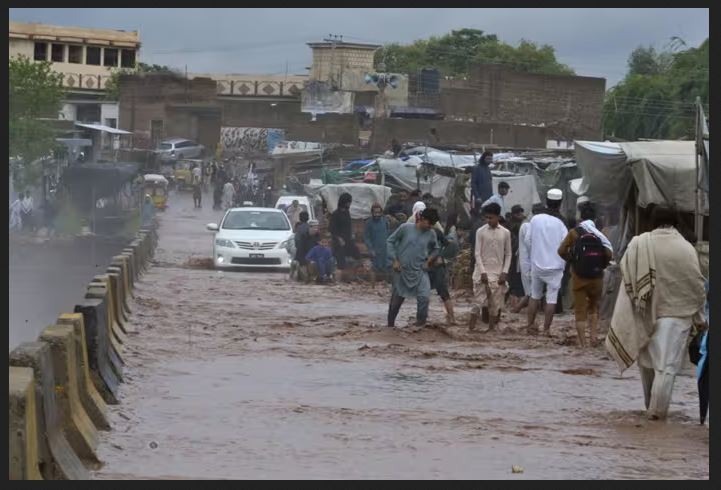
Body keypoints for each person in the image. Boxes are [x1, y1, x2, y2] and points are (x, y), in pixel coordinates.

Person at [606, 207, 706, 421]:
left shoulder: (639, 243)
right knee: (666, 368)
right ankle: (657, 415)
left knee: (646, 365)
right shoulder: (686, 248)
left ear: (653, 222)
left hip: (644, 312)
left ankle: (648, 408)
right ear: (676, 223)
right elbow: (696, 286)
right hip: (676, 316)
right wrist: (700, 319)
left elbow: (628, 275)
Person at [557, 202, 613, 348]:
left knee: (580, 310)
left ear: (581, 216)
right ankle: (594, 338)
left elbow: (561, 251)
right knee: (594, 307)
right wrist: (601, 265)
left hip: (579, 277)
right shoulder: (599, 234)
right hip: (597, 277)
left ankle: (583, 344)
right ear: (594, 218)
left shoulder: (574, 232)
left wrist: (573, 260)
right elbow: (608, 253)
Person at [386, 207, 440, 328]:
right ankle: (390, 326)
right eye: (429, 223)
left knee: (424, 298)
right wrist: (394, 260)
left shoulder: (431, 233)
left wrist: (429, 261)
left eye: (433, 224)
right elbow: (390, 241)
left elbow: (436, 249)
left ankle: (420, 326)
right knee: (396, 301)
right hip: (402, 270)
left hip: (420, 270)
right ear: (422, 218)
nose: (431, 226)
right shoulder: (405, 228)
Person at [524, 189, 568, 336]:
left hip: (537, 265)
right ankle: (546, 330)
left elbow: (527, 240)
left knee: (534, 295)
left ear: (546, 202)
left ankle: (530, 326)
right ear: (560, 204)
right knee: (551, 298)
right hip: (555, 267)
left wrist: (534, 254)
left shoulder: (535, 219)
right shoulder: (561, 223)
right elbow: (565, 245)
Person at [470, 203, 512, 331]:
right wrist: (482, 272)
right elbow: (477, 253)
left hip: (498, 272)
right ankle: (471, 329)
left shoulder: (505, 233)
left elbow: (509, 254)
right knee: (478, 302)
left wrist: (504, 272)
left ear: (498, 217)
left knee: (495, 304)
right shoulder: (480, 231)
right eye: (486, 218)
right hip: (481, 271)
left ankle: (491, 330)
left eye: (491, 218)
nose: (488, 220)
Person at [511, 204, 544, 313]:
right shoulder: (527, 225)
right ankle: (519, 309)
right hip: (527, 261)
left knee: (532, 289)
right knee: (530, 290)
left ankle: (526, 310)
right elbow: (529, 244)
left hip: (531, 261)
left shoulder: (531, 224)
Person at [429, 225, 458, 325]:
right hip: (425, 267)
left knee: (443, 293)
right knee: (423, 293)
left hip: (437, 267)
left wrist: (442, 257)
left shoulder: (436, 232)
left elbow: (450, 244)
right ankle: (422, 319)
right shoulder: (421, 232)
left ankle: (451, 317)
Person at [329, 193, 360, 276]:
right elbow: (332, 229)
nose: (349, 204)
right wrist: (339, 238)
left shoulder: (347, 212)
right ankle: (340, 277)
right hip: (339, 241)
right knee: (341, 261)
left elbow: (349, 225)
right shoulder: (335, 214)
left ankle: (352, 275)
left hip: (348, 239)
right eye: (348, 202)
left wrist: (352, 233)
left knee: (356, 254)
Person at [364, 203, 390, 285]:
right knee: (373, 268)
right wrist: (371, 249)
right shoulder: (368, 222)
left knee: (386, 267)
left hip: (384, 248)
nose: (377, 214)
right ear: (372, 213)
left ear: (381, 212)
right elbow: (366, 237)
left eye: (379, 212)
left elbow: (388, 233)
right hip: (374, 249)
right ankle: (372, 286)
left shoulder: (385, 221)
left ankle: (385, 285)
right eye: (375, 212)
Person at [506, 205, 526, 310]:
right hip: (514, 256)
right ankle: (514, 301)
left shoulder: (519, 224)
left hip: (517, 256)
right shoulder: (514, 225)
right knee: (514, 278)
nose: (521, 215)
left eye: (521, 213)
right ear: (514, 214)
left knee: (516, 278)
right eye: (519, 214)